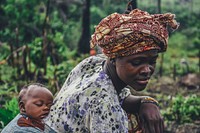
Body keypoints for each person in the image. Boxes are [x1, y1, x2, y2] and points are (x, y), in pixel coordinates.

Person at [46, 9, 179, 133]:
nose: (146, 70)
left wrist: (147, 101)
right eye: (136, 62)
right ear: (114, 58)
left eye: (152, 62)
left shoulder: (93, 64)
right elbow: (107, 100)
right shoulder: (104, 105)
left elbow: (120, 96)